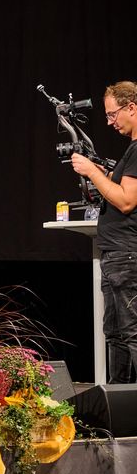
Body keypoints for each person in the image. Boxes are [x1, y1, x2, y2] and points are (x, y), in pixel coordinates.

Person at [72, 81, 137, 384]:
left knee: (132, 333)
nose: (110, 122)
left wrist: (92, 172)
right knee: (115, 335)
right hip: (115, 256)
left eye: (113, 115)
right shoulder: (131, 151)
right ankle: (120, 406)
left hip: (127, 256)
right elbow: (120, 187)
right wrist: (102, 172)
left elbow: (126, 201)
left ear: (131, 108)